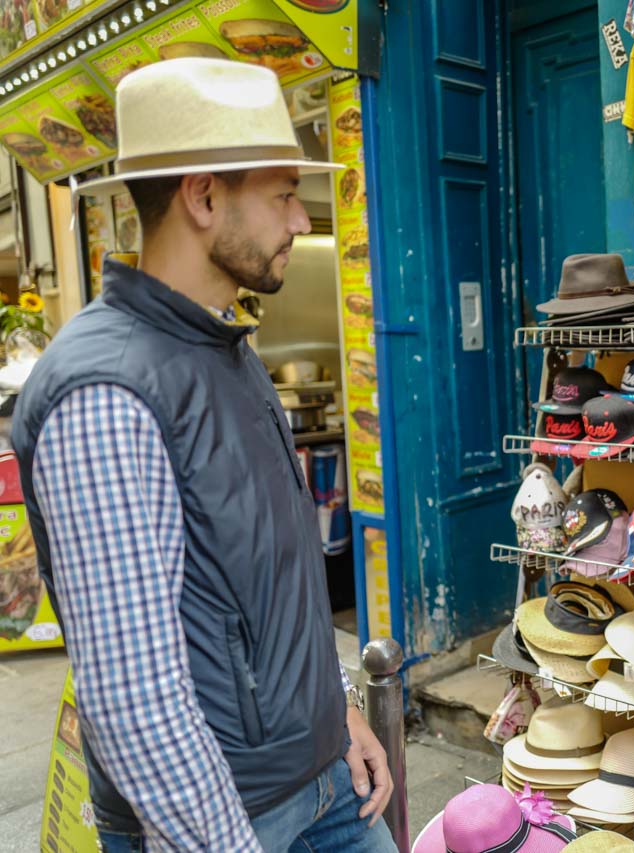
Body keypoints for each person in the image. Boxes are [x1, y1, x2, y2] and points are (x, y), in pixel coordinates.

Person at [11, 59, 396, 852]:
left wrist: (337, 711)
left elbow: (275, 581)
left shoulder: (224, 347)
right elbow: (134, 700)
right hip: (225, 821)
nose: (301, 219)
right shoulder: (105, 390)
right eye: (283, 193)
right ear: (204, 197)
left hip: (324, 784)